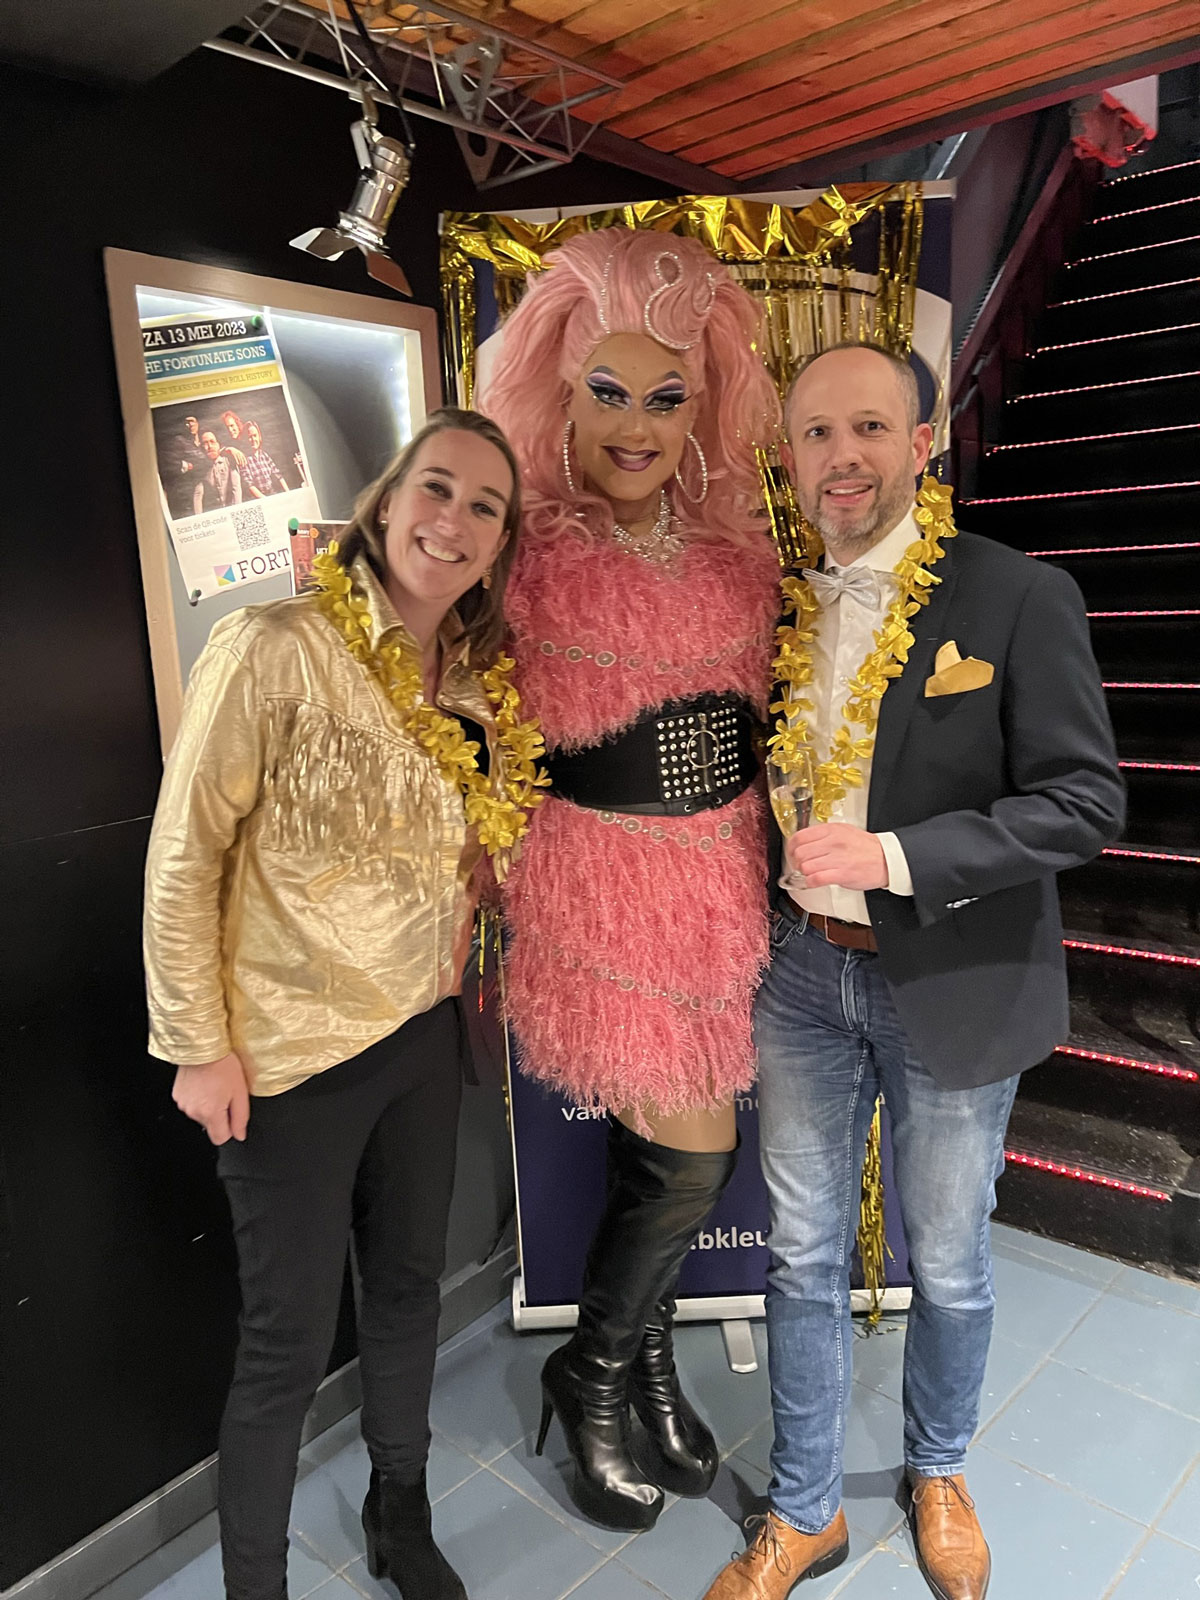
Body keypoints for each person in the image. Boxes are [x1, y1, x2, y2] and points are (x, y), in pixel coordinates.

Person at [701, 343, 1125, 1600]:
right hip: (799, 978)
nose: (844, 457)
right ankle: (806, 1507)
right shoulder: (780, 610)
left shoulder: (1017, 594)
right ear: (790, 457)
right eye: (817, 433)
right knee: (800, 1254)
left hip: (955, 975)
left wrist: (894, 855)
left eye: (871, 427)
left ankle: (939, 1468)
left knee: (946, 1258)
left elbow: (1085, 801)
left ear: (922, 443)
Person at [144, 407, 541, 1600]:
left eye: (484, 506)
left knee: (409, 1290)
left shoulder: (472, 684)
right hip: (287, 1058)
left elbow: (457, 855)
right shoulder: (274, 644)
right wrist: (197, 1044)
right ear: (387, 499)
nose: (453, 520)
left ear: (500, 542)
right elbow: (184, 856)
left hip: (421, 1034)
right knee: (285, 1347)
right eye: (437, 487)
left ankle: (398, 1512)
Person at [481, 228, 782, 1532]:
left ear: (701, 402)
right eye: (608, 392)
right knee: (692, 1156)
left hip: (716, 886)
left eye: (665, 397)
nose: (637, 427)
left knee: (666, 1154)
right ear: (560, 389)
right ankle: (593, 1371)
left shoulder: (738, 559)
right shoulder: (524, 555)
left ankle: (644, 1369)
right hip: (598, 888)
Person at [195, 428, 243, 512]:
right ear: (201, 447)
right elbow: (198, 495)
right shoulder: (201, 468)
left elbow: (236, 488)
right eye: (205, 443)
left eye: (212, 442)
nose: (210, 446)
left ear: (219, 444)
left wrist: (237, 511)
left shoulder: (228, 461)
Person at [239, 419, 290, 497]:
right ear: (245, 440)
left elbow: (278, 475)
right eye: (250, 437)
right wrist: (265, 499)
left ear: (259, 437)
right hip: (259, 498)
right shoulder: (244, 460)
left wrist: (288, 492)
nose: (253, 439)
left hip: (272, 493)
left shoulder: (264, 455)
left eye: (255, 436)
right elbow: (249, 485)